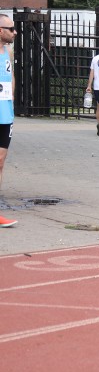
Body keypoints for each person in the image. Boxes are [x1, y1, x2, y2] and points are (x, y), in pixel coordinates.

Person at [0, 14, 17, 227]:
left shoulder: (8, 52)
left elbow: (10, 76)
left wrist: (11, 97)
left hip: (5, 113)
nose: (14, 32)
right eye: (11, 29)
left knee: (1, 161)